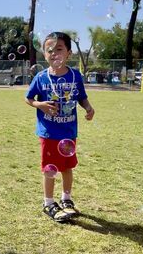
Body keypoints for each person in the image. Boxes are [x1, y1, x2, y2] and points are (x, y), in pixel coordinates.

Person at [25, 32, 95, 222]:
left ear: (69, 53)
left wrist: (88, 108)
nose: (54, 53)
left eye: (59, 49)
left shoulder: (75, 76)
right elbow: (28, 98)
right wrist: (40, 105)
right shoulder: (41, 77)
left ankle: (66, 199)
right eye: (49, 50)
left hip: (68, 133)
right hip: (49, 133)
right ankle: (48, 202)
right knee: (50, 168)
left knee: (67, 167)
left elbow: (82, 97)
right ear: (44, 54)